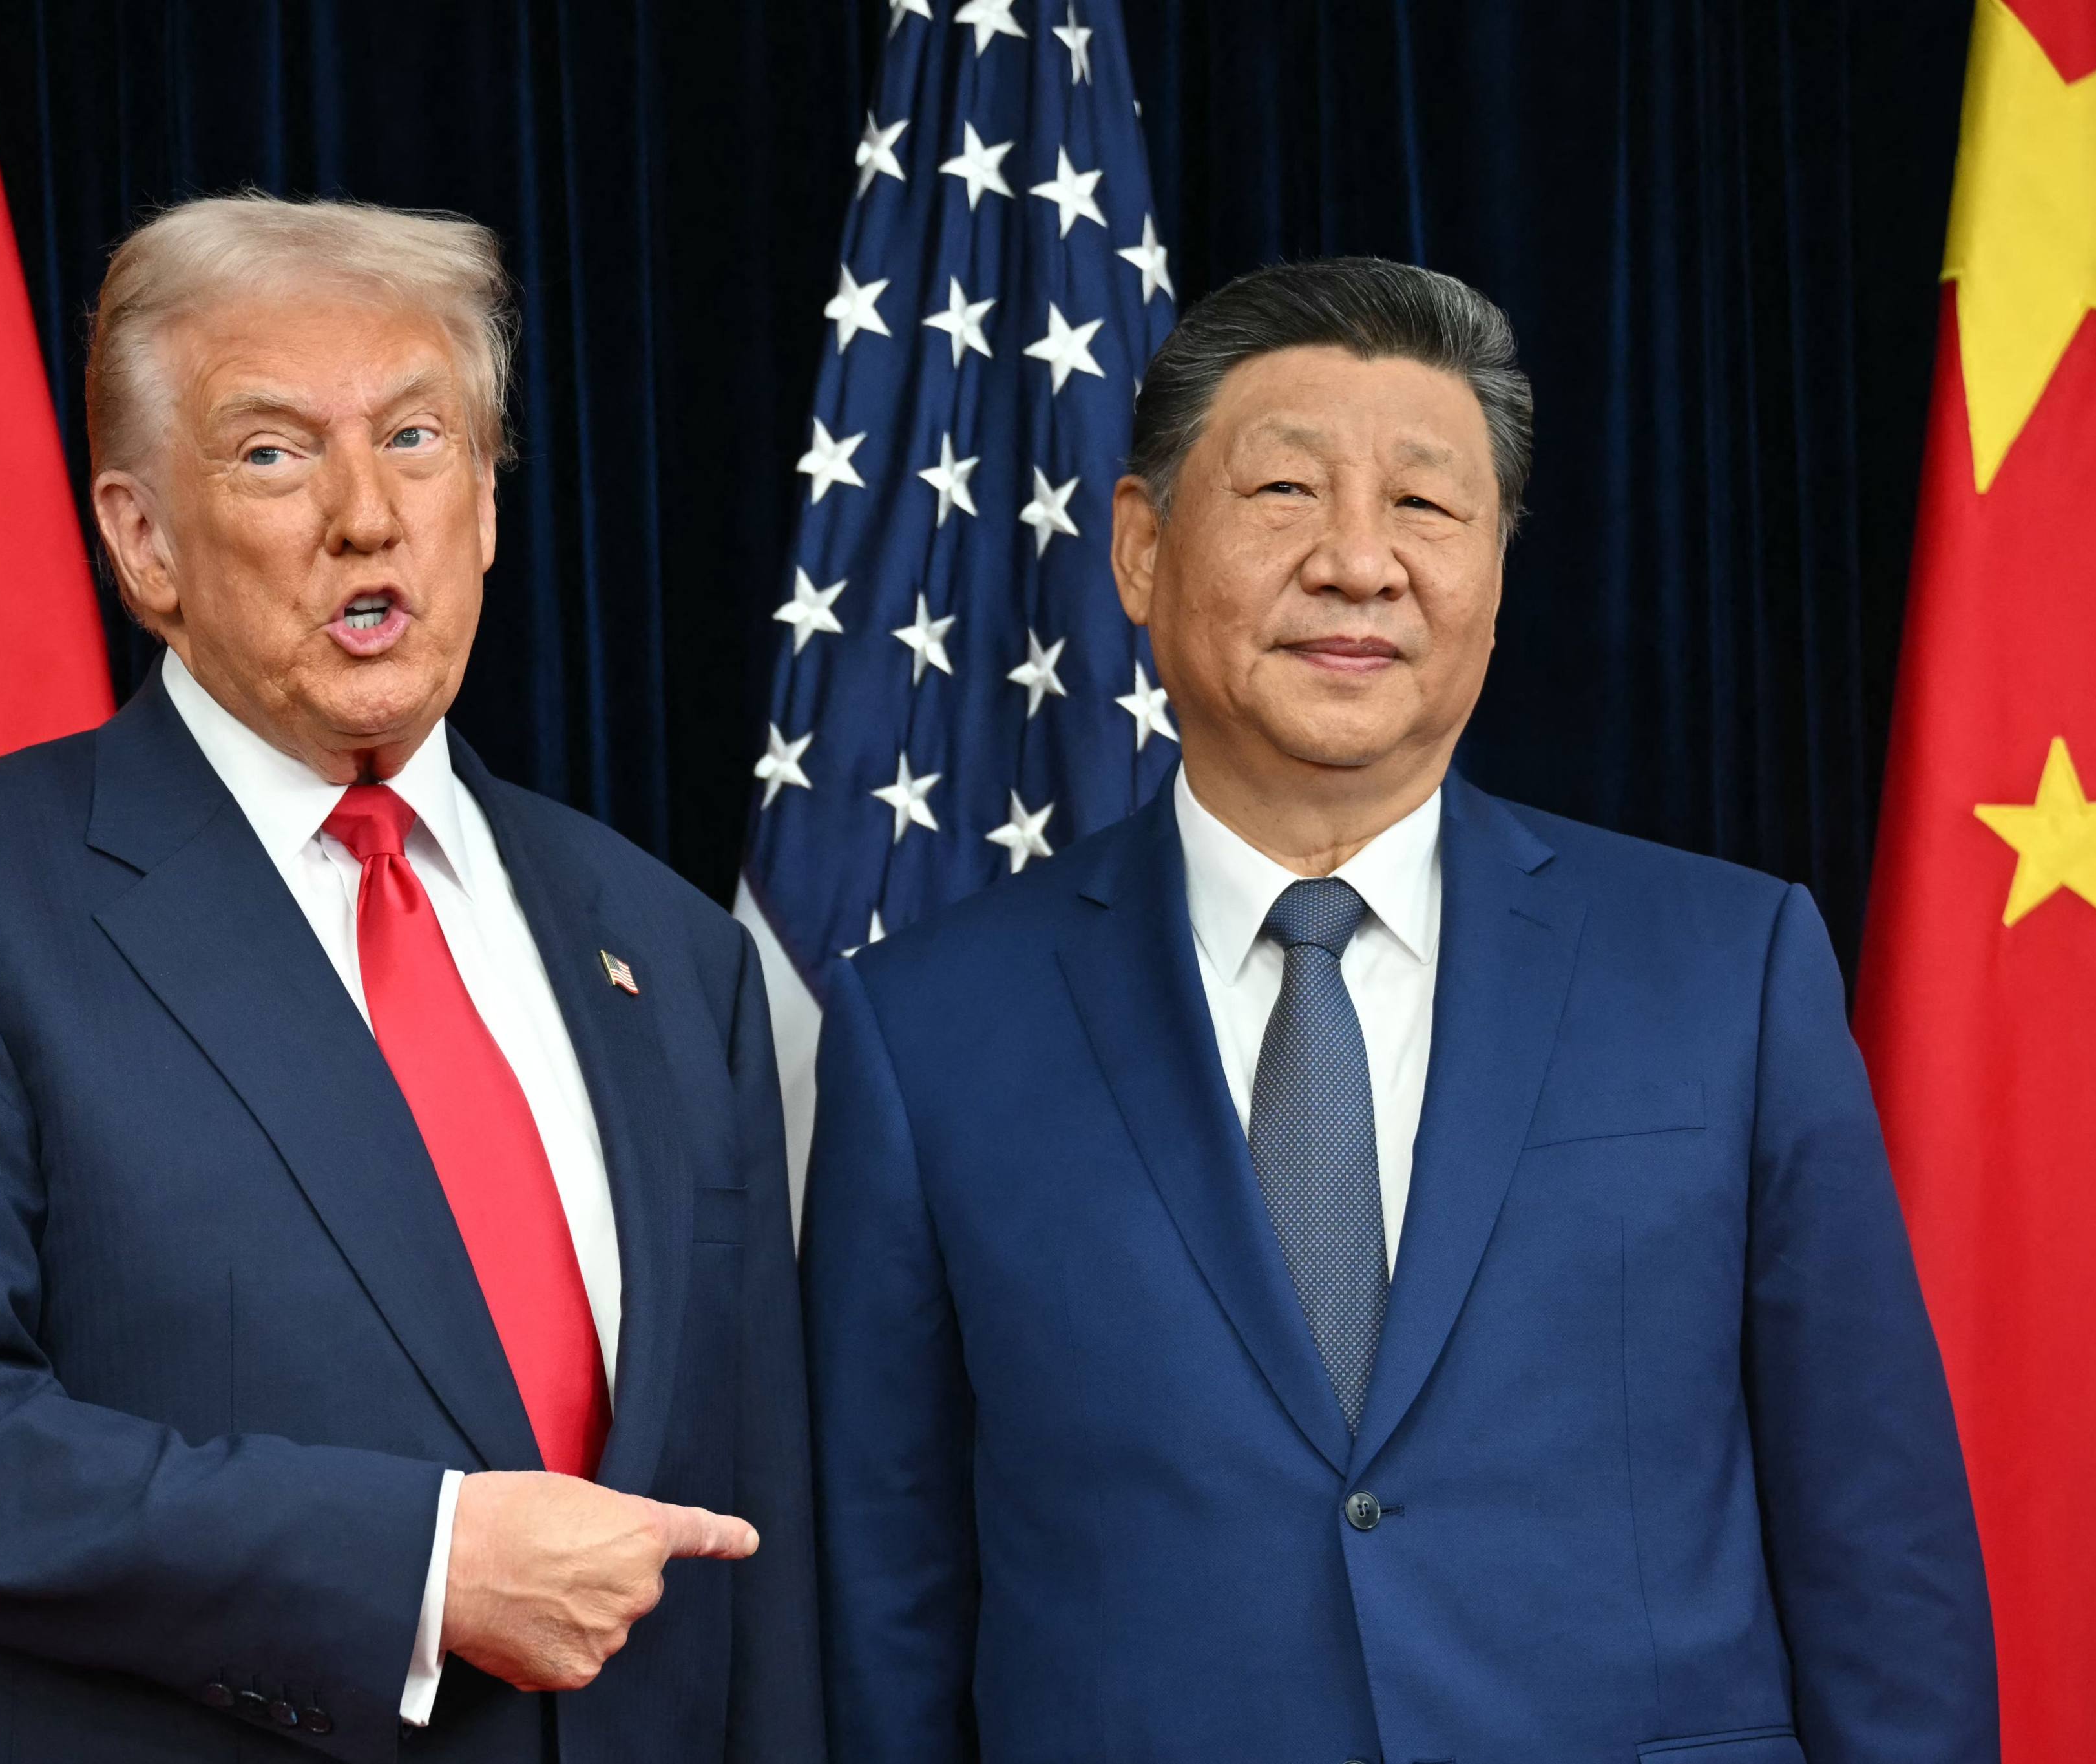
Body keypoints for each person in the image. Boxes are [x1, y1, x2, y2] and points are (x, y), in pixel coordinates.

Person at [800, 257, 1995, 1763]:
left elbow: (1871, 1529)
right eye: (1285, 493)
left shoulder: (1724, 967)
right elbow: (889, 1595)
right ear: (1137, 549)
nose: (1358, 564)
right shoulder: (926, 1032)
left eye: (1426, 508)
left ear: (1494, 576)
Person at [0, 195, 819, 1764]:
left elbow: (753, 1518)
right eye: (273, 452)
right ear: (140, 539)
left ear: (482, 503)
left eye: (416, 439)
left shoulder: (665, 945)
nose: (365, 516)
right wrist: (419, 1566)